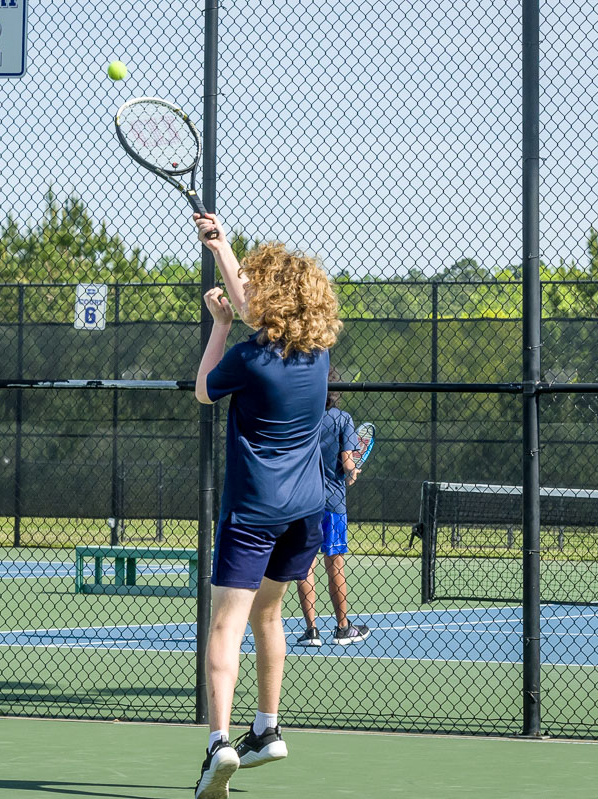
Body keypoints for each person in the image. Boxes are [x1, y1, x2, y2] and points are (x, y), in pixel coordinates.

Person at [190, 212, 342, 799]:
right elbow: (259, 307)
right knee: (269, 617)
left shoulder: (248, 358)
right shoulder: (318, 355)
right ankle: (268, 728)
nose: (246, 289)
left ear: (268, 299)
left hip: (253, 512)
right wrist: (222, 245)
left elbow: (205, 389)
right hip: (305, 514)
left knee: (227, 624)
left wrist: (219, 328)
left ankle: (218, 744)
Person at [294, 370, 371, 647]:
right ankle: (342, 628)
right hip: (333, 504)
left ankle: (311, 631)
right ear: (336, 393)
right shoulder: (343, 419)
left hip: (303, 502)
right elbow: (348, 464)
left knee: (305, 565)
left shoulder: (302, 417)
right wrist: (353, 472)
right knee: (334, 564)